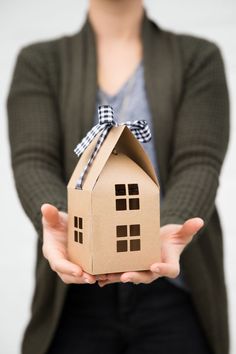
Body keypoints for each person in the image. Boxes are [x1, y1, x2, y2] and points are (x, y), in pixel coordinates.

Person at [7, 0, 229, 354]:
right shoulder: (40, 61)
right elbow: (33, 159)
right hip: (74, 292)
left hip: (175, 286)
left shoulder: (197, 56)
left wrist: (168, 227)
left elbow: (199, 160)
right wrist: (66, 222)